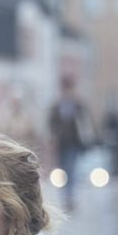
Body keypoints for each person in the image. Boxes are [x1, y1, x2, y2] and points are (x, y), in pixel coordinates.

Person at [47, 76, 91, 212]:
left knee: (71, 169)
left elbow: (86, 122)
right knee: (63, 170)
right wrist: (52, 137)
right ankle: (66, 197)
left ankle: (69, 197)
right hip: (61, 144)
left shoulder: (78, 105)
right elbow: (51, 123)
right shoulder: (57, 105)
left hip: (73, 143)